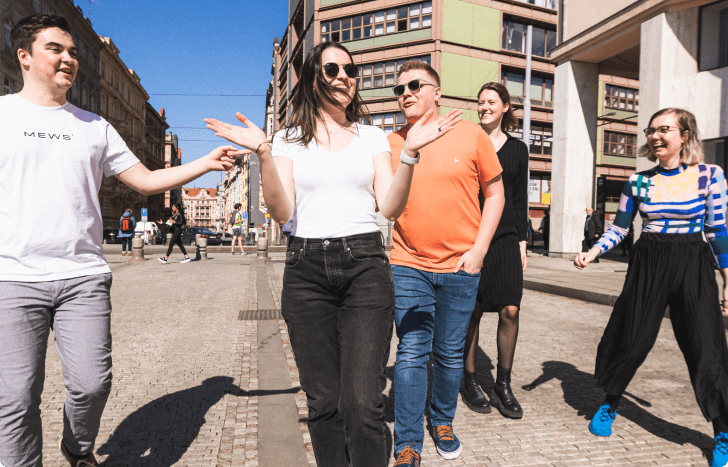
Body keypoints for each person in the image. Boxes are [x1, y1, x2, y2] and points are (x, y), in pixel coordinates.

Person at [204, 41, 461, 467]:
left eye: (349, 69)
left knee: (363, 403)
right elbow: (282, 210)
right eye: (331, 69)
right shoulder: (285, 140)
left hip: (365, 266)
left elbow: (390, 207)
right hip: (306, 271)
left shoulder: (372, 136)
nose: (344, 75)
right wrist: (264, 154)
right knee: (324, 403)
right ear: (312, 79)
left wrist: (410, 155)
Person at [0, 14, 235, 467]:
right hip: (11, 277)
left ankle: (77, 446)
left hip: (82, 276)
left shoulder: (95, 125)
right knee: (13, 398)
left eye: (72, 51)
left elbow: (146, 180)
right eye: (56, 49)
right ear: (24, 56)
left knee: (91, 384)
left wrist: (205, 162)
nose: (69, 58)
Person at [574, 108, 728, 467]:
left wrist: (726, 282)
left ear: (684, 134)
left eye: (664, 129)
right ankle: (610, 404)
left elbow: (718, 231)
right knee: (632, 338)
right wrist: (593, 251)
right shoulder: (638, 181)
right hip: (649, 261)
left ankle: (722, 430)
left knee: (706, 346)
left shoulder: (710, 175)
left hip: (693, 261)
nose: (655, 136)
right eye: (651, 130)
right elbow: (621, 228)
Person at [387, 62, 505, 465]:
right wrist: (410, 149)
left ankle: (441, 420)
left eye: (415, 85)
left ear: (437, 92)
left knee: (451, 353)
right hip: (408, 263)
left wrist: (479, 252)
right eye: (399, 88)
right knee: (411, 352)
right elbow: (385, 204)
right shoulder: (392, 143)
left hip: (460, 266)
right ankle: (406, 442)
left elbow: (496, 195)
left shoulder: (471, 135)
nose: (405, 92)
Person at [461, 83, 528, 420]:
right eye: (480, 101)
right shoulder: (469, 141)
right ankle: (469, 380)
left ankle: (503, 384)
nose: (484, 106)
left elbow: (518, 199)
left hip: (505, 239)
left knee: (511, 310)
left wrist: (522, 242)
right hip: (469, 236)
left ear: (505, 106)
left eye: (490, 102)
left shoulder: (519, 150)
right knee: (471, 311)